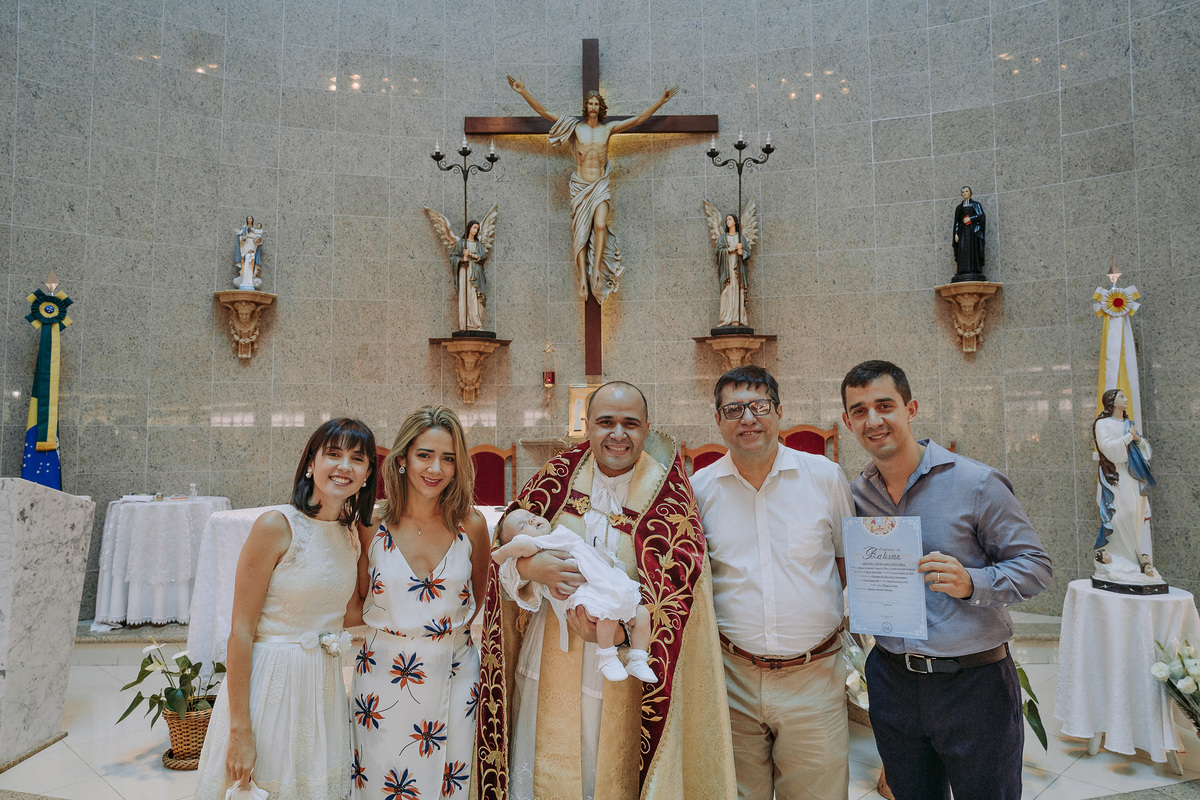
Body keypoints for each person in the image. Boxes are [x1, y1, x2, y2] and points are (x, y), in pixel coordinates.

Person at [475, 381, 736, 799]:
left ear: (647, 428)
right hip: (549, 661)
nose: (618, 434)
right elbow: (502, 565)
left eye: (630, 424)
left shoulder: (668, 496)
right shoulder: (555, 479)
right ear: (587, 426)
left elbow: (681, 596)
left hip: (621, 675)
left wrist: (625, 635)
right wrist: (529, 568)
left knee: (607, 775)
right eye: (606, 422)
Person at [840, 360, 1052, 800]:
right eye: (859, 411)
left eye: (884, 405)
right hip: (893, 681)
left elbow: (1035, 566)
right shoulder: (854, 496)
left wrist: (972, 582)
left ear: (910, 408)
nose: (873, 420)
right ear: (847, 422)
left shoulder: (975, 483)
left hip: (973, 684)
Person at [691, 365, 854, 800]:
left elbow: (846, 563)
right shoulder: (698, 490)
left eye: (759, 406)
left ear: (779, 412)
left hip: (813, 675)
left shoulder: (824, 477)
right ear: (718, 421)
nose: (748, 418)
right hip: (733, 678)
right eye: (734, 409)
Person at [194, 418, 378, 800]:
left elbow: (353, 616)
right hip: (271, 684)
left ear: (367, 474)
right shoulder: (276, 526)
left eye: (356, 459)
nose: (344, 466)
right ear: (311, 463)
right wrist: (240, 728)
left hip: (321, 686)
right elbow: (241, 632)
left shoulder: (350, 534)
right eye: (333, 454)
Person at [348, 406, 490, 800]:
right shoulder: (369, 526)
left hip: (455, 674)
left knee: (450, 783)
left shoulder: (472, 525)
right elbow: (358, 600)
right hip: (382, 678)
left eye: (448, 458)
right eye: (425, 454)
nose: (436, 468)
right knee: (381, 781)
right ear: (403, 459)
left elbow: (477, 599)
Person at [506, 77, 677, 304]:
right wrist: (523, 91)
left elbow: (638, 119)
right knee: (580, 235)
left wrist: (661, 101)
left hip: (600, 186)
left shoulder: (608, 129)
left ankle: (596, 270)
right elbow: (545, 112)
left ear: (601, 107)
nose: (593, 107)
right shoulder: (575, 128)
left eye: (597, 103)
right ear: (585, 107)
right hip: (581, 186)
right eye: (590, 104)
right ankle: (582, 280)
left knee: (599, 226)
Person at [494, 508, 657, 683]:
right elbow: (514, 555)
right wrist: (525, 566)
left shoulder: (561, 534)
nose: (532, 520)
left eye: (533, 516)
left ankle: (638, 659)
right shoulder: (541, 540)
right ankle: (607, 657)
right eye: (522, 525)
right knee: (605, 613)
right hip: (583, 606)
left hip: (610, 587)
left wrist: (603, 561)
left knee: (641, 615)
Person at [1092, 388, 1160, 585]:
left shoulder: (1128, 425)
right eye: (1122, 396)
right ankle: (1114, 556)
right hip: (1116, 476)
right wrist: (1129, 437)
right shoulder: (1102, 424)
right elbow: (1110, 450)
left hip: (1133, 477)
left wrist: (1137, 439)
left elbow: (1145, 452)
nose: (1126, 399)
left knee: (1134, 514)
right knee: (1120, 515)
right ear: (1111, 401)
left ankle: (1133, 559)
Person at [451, 220, 488, 331]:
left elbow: (483, 256)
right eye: (474, 228)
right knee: (466, 294)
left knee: (475, 296)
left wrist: (471, 255)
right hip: (465, 271)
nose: (475, 230)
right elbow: (453, 257)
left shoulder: (478, 245)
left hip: (476, 273)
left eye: (477, 229)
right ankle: (466, 324)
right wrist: (462, 259)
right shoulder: (461, 243)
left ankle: (476, 323)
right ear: (469, 228)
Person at [715, 214, 750, 327]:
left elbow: (747, 252)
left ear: (735, 221)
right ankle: (726, 318)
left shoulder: (740, 238)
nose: (727, 221)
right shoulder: (722, 238)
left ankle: (737, 318)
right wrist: (731, 249)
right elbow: (719, 251)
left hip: (738, 270)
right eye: (726, 220)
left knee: (737, 291)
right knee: (727, 291)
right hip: (727, 269)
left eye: (730, 219)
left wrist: (742, 253)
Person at [951, 186, 986, 280]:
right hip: (962, 232)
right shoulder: (959, 207)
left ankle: (973, 269)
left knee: (972, 249)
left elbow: (981, 216)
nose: (965, 193)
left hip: (973, 232)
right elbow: (957, 221)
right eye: (963, 192)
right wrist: (956, 233)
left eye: (966, 191)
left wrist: (971, 219)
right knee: (962, 249)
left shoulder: (976, 204)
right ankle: (962, 270)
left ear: (970, 192)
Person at [234, 215, 264, 290]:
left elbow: (258, 242)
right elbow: (240, 238)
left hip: (252, 245)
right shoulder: (244, 229)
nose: (249, 220)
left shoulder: (255, 230)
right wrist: (243, 237)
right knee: (245, 260)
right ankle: (244, 276)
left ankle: (251, 277)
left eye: (251, 219)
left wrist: (258, 239)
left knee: (251, 261)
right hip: (245, 245)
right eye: (248, 219)